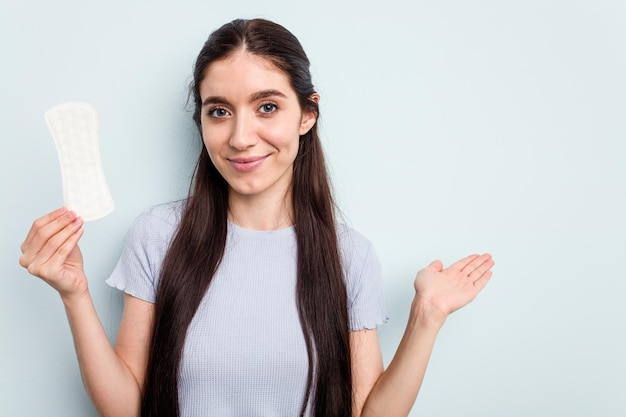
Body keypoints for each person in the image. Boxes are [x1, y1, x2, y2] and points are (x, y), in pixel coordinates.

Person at [19, 18, 494, 417]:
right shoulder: (158, 236)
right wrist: (74, 295)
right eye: (219, 111)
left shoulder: (348, 256)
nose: (241, 137)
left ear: (307, 114)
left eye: (267, 107)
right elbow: (125, 407)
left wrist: (426, 317)